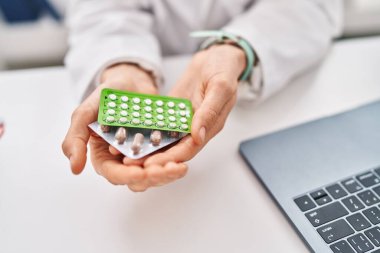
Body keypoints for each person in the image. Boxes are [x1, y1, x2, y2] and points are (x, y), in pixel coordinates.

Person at [62, 0, 343, 192]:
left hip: (263, 108)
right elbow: (99, 10)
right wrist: (122, 64)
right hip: (152, 55)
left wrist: (236, 49)